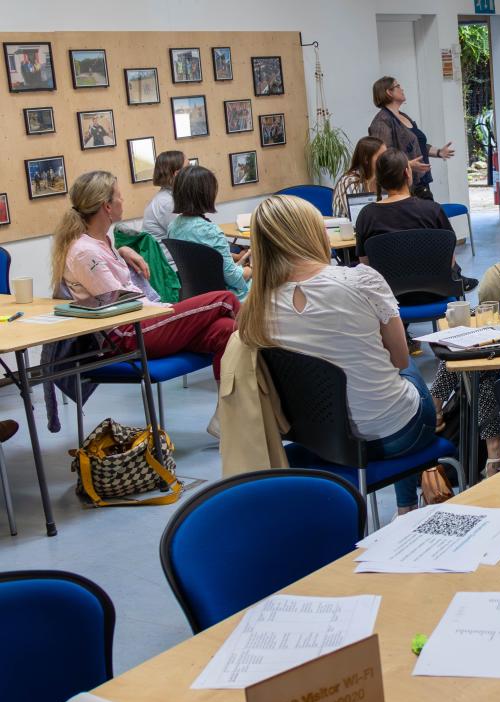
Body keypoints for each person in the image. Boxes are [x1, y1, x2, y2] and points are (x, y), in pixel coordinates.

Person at [237, 194, 436, 516]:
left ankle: (407, 505)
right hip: (393, 435)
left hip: (318, 440)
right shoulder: (362, 279)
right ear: (314, 232)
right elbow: (399, 360)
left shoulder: (255, 308)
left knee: (388, 381)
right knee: (407, 368)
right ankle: (407, 507)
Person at [52, 171, 239, 380]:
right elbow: (121, 300)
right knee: (226, 299)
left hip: (142, 322)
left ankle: (231, 405)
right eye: (119, 196)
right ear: (107, 206)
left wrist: (123, 251)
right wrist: (167, 309)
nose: (123, 201)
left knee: (227, 330)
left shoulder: (102, 241)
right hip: (125, 334)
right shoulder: (85, 252)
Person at [355, 148, 477, 290]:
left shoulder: (366, 215)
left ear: (380, 179)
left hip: (389, 300)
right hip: (436, 293)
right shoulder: (433, 210)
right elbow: (449, 261)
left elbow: (366, 266)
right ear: (407, 173)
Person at [168, 165, 251, 299]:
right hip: (224, 297)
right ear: (206, 194)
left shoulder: (173, 227)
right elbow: (234, 278)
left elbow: (206, 262)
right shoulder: (211, 231)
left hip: (194, 296)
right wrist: (251, 269)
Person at [368, 76, 453, 200]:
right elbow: (383, 156)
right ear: (389, 92)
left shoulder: (403, 116)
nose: (402, 89)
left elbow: (418, 145)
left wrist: (439, 152)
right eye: (398, 86)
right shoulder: (382, 121)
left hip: (420, 181)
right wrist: (407, 164)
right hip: (403, 185)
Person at [332, 136, 385, 219]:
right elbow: (358, 219)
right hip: (348, 230)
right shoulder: (350, 181)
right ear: (366, 159)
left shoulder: (380, 179)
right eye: (381, 156)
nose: (386, 160)